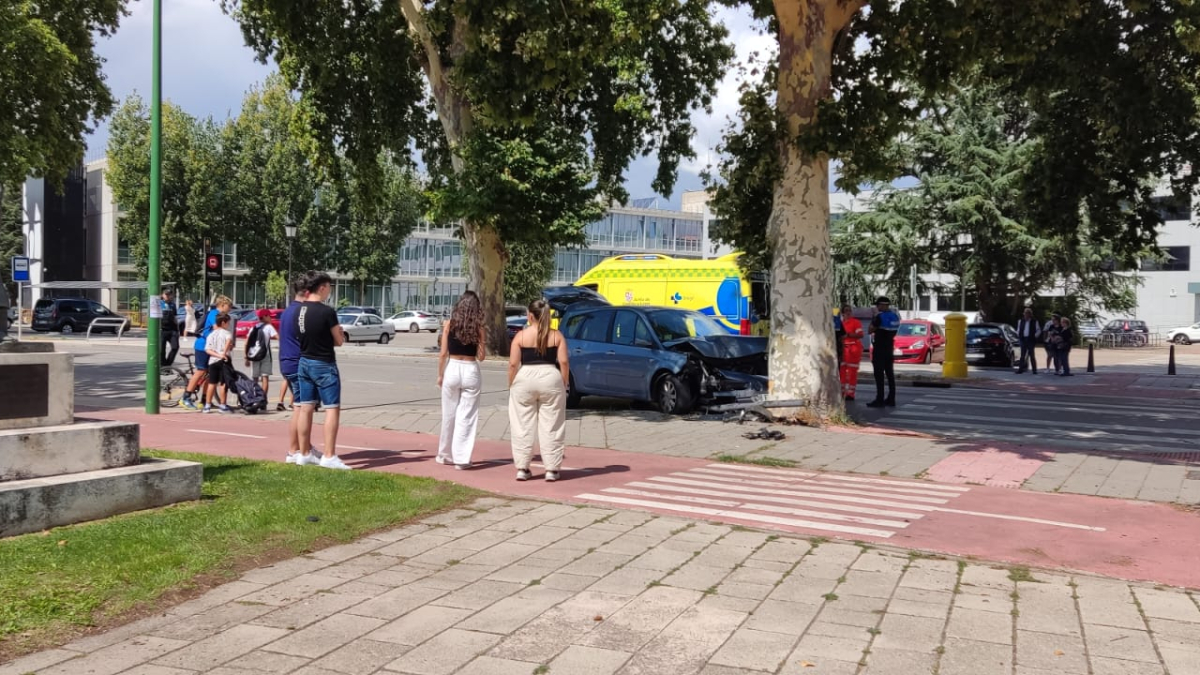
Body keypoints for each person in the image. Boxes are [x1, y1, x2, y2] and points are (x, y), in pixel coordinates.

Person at [508, 299, 570, 482]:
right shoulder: (556, 336)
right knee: (552, 424)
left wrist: (511, 384)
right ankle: (551, 469)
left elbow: (513, 364)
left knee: (522, 424)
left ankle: (522, 467)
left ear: (529, 316)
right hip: (550, 376)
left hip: (525, 377)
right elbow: (564, 362)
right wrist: (563, 382)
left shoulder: (520, 336)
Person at [294, 272, 351, 470]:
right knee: (332, 408)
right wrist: (340, 333)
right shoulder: (327, 312)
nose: (329, 292)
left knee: (305, 407)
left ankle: (303, 453)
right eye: (329, 288)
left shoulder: (299, 310)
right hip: (324, 363)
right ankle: (329, 455)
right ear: (322, 288)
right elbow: (339, 340)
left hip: (304, 360)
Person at [437, 291, 486, 470]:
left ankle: (444, 454)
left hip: (453, 367)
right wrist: (481, 341)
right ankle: (462, 458)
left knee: (449, 413)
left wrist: (440, 374)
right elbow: (482, 357)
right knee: (467, 415)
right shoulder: (479, 327)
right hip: (471, 369)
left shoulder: (449, 324)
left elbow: (443, 353)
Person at [279, 276, 319, 464]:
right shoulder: (302, 312)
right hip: (299, 362)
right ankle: (298, 450)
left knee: (299, 406)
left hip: (287, 361)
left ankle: (300, 448)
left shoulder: (289, 311)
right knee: (303, 408)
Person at [181, 295, 232, 409]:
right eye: (229, 306)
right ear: (222, 305)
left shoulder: (220, 314)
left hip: (211, 347)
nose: (230, 309)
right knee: (200, 371)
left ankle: (204, 400)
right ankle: (186, 397)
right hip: (203, 346)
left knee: (210, 373)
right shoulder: (214, 314)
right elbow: (216, 328)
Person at [867, 296, 900, 408]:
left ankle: (879, 399)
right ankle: (891, 399)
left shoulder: (879, 317)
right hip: (889, 348)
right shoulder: (895, 316)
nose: (877, 307)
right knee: (890, 374)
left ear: (881, 305)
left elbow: (870, 330)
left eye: (877, 305)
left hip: (879, 349)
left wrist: (874, 318)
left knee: (879, 375)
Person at [202, 313, 235, 414]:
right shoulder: (227, 333)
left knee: (212, 383)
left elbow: (207, 350)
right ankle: (222, 405)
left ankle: (207, 405)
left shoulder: (211, 334)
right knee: (223, 383)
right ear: (223, 322)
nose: (229, 324)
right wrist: (223, 354)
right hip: (224, 361)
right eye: (228, 322)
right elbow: (229, 343)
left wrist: (217, 355)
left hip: (212, 361)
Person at [245, 308, 278, 402]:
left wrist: (246, 357)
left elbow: (247, 343)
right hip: (265, 355)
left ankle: (254, 397)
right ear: (265, 317)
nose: (271, 319)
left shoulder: (253, 327)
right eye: (270, 317)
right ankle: (263, 399)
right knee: (265, 377)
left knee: (255, 378)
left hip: (254, 355)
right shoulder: (268, 327)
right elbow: (278, 337)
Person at [838, 303, 865, 402]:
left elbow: (860, 334)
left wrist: (848, 335)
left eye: (849, 311)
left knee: (852, 372)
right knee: (841, 372)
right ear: (842, 313)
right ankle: (841, 392)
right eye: (846, 311)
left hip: (853, 348)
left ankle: (850, 393)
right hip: (843, 349)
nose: (848, 313)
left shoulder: (855, 322)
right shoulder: (840, 323)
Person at [1015, 307, 1041, 374]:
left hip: (1030, 340)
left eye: (1027, 314)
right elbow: (1018, 329)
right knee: (1022, 355)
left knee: (1032, 355)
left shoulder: (1034, 321)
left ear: (1030, 315)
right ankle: (1020, 369)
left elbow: (1038, 330)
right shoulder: (1020, 321)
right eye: (1025, 314)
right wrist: (1018, 334)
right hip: (1023, 339)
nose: (1026, 315)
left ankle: (1034, 370)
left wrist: (1035, 336)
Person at [160, 288, 179, 366]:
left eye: (169, 294)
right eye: (166, 294)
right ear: (162, 295)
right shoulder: (159, 304)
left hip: (172, 329)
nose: (167, 296)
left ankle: (168, 365)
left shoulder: (173, 304)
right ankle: (163, 366)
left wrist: (178, 330)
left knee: (175, 347)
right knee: (161, 350)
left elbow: (174, 317)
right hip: (162, 329)